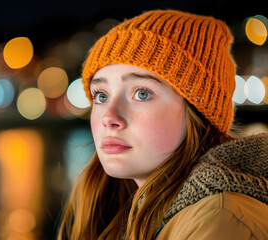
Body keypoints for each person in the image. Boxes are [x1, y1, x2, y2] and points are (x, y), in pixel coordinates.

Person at [58, 9, 268, 239]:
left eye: (142, 94)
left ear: (197, 110)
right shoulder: (127, 212)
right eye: (101, 96)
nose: (109, 117)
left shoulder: (222, 221)